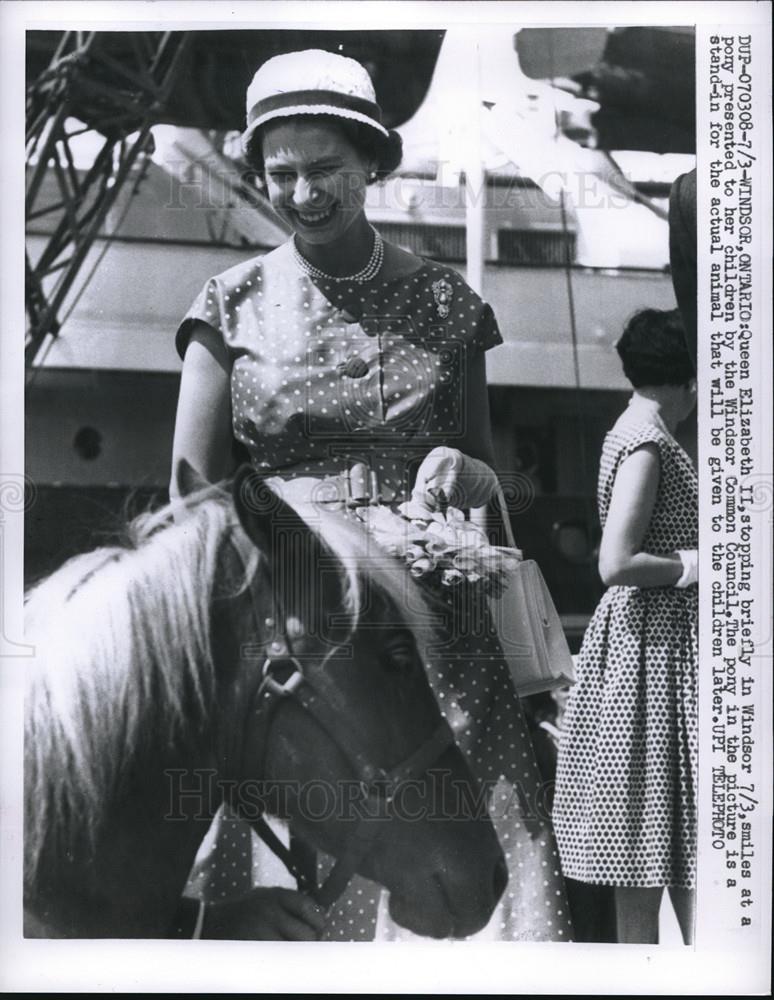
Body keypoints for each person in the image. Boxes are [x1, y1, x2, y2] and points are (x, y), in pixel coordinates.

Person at [170, 48, 572, 942]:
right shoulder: (227, 305)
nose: (303, 192)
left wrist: (463, 479)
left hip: (437, 614)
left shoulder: (448, 303)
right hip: (300, 613)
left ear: (370, 165)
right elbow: (190, 500)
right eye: (281, 173)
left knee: (471, 823)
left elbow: (482, 466)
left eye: (325, 171)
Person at [552, 308, 698, 945]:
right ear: (689, 377)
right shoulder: (648, 440)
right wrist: (697, 565)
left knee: (643, 834)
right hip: (653, 646)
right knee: (663, 832)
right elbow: (616, 561)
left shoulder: (633, 427)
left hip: (645, 645)